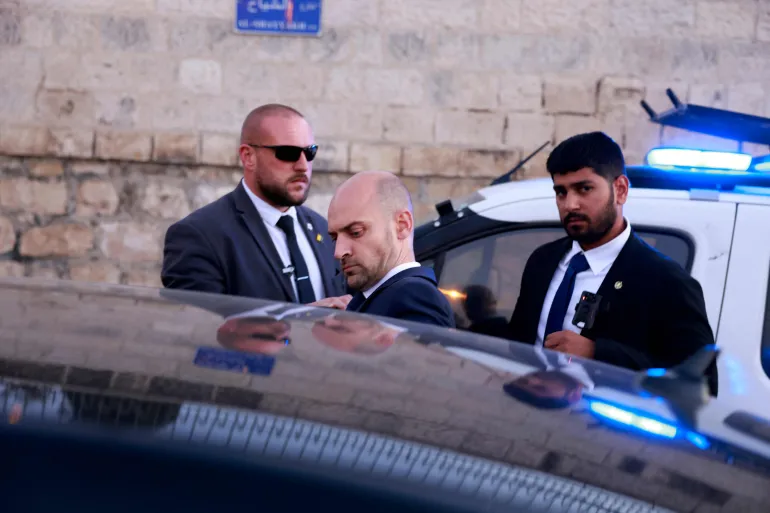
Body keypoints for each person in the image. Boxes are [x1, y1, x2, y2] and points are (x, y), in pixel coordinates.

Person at [505, 132, 718, 395]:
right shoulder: (543, 261)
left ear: (620, 190)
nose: (570, 204)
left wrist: (597, 354)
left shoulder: (666, 281)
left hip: (604, 420)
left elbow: (699, 385)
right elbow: (519, 343)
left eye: (584, 189)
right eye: (561, 192)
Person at [161, 104, 348, 307]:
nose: (303, 166)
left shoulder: (322, 229)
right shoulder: (200, 236)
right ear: (248, 157)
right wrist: (298, 319)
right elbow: (199, 322)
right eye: (287, 153)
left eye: (310, 152)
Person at [327, 171, 455, 328]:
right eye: (334, 238)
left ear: (402, 225)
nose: (338, 252)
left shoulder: (416, 297)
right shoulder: (378, 296)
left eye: (356, 232)